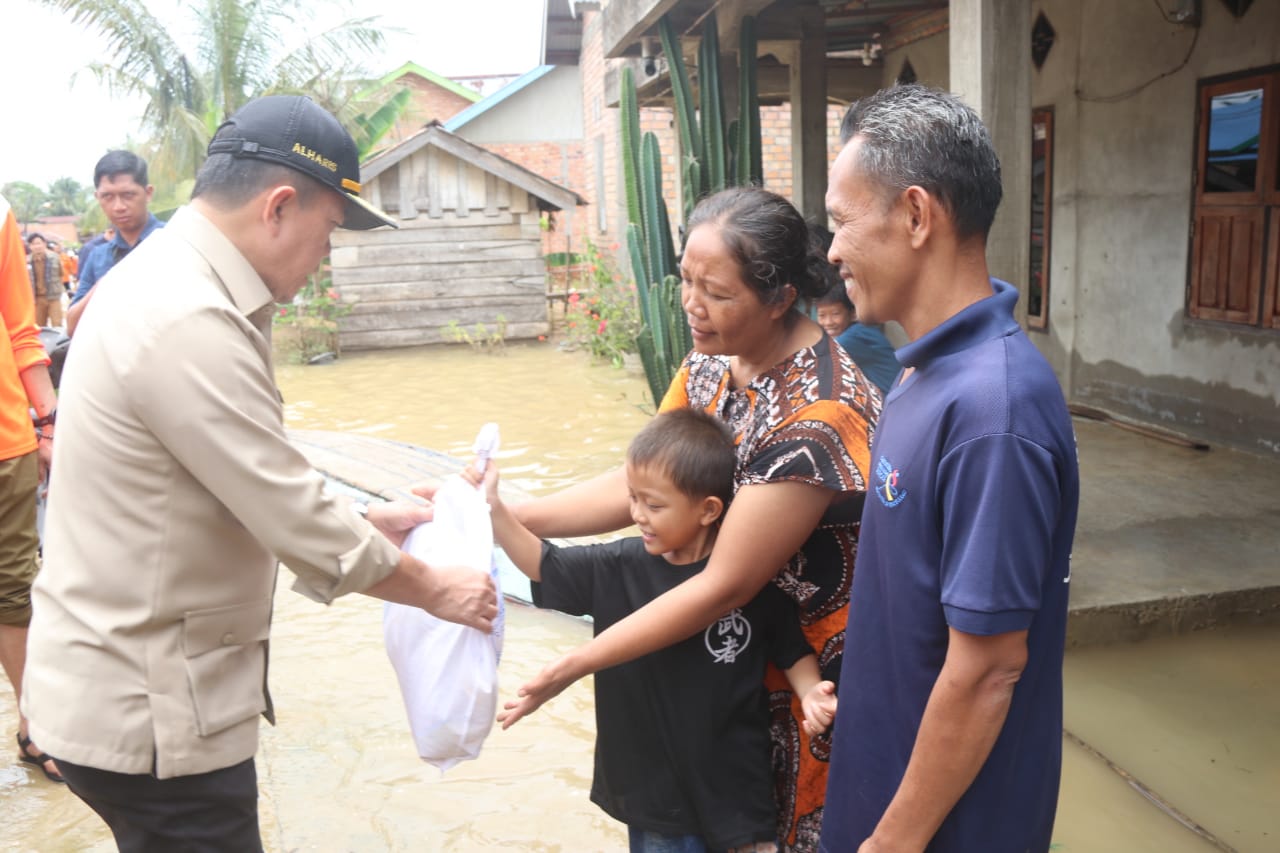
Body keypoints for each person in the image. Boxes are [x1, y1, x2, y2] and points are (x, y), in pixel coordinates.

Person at [23, 95, 498, 851]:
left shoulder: (169, 281)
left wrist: (367, 522)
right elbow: (288, 508)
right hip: (150, 710)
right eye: (328, 232)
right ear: (278, 207)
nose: (324, 256)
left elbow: (230, 474)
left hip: (119, 679)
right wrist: (435, 589)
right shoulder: (186, 316)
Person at [505, 186, 881, 852]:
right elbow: (648, 484)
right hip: (714, 671)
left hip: (795, 671)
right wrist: (500, 512)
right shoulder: (711, 361)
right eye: (686, 280)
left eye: (717, 292)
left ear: (779, 297)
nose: (691, 304)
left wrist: (574, 664)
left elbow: (725, 583)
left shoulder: (819, 413)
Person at [818, 85, 1080, 853]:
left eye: (840, 221)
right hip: (883, 792)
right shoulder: (920, 370)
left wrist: (888, 842)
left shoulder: (995, 411)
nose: (831, 251)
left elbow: (989, 668)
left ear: (915, 215)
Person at [479, 408, 838, 853]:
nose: (638, 515)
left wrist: (810, 692)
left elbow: (790, 649)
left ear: (708, 510)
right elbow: (542, 564)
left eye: (654, 505)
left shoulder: (746, 579)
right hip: (654, 796)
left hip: (736, 792)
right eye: (633, 499)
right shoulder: (618, 566)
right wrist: (495, 510)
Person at [0, 197, 60, 783]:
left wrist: (48, 422)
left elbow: (20, 329)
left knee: (16, 589)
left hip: (6, 442)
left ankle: (33, 725)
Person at [66, 150, 164, 335]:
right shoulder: (97, 257)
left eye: (128, 195)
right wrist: (107, 283)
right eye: (108, 197)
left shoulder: (176, 243)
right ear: (98, 198)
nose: (118, 207)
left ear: (148, 193)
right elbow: (72, 327)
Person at [809, 227, 899, 395]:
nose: (828, 322)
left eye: (835, 314)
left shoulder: (855, 336)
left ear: (852, 314)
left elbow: (814, 359)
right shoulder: (859, 332)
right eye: (822, 315)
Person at [24, 234, 63, 328]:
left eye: (39, 243)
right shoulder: (26, 261)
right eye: (34, 244)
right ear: (30, 246)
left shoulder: (54, 257)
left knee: (57, 324)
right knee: (39, 326)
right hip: (37, 298)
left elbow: (60, 273)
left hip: (53, 297)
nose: (37, 246)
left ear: (44, 244)